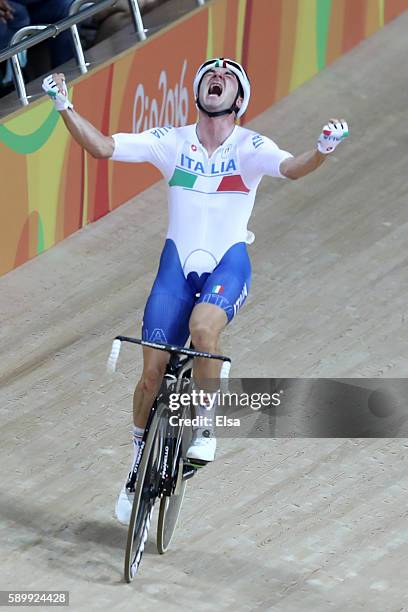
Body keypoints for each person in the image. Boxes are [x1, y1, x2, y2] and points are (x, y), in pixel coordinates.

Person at [42, 58, 349, 525]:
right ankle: (136, 465)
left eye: (228, 77)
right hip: (175, 269)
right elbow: (103, 148)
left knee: (204, 327)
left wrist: (323, 150)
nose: (217, 78)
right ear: (198, 92)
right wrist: (63, 105)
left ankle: (204, 421)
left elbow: (292, 167)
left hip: (228, 263)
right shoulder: (171, 142)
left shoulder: (251, 147)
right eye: (210, 74)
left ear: (239, 100)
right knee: (150, 377)